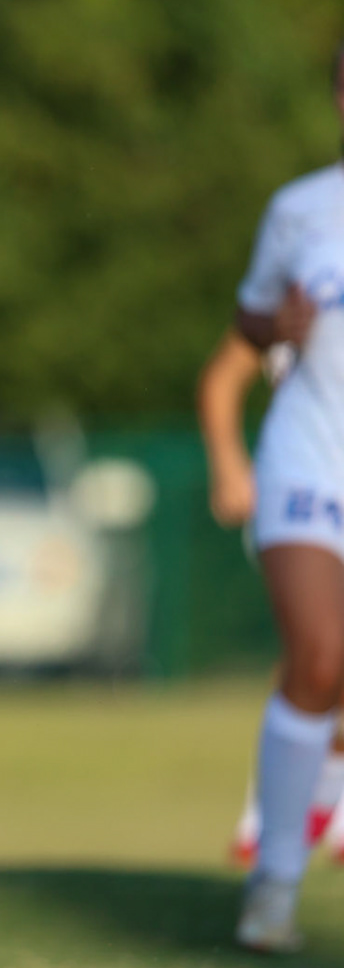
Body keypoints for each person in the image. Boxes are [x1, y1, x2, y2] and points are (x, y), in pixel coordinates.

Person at [224, 52, 344, 948]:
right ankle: (273, 885)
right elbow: (249, 323)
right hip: (307, 459)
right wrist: (280, 327)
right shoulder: (300, 208)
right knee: (320, 654)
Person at [197, 330, 344, 868]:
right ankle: (271, 807)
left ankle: (319, 794)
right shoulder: (297, 273)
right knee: (316, 652)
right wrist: (227, 461)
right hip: (303, 494)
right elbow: (224, 374)